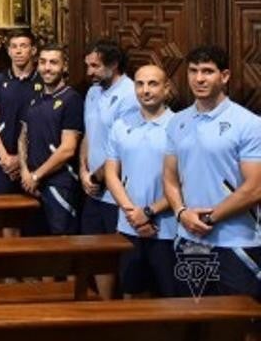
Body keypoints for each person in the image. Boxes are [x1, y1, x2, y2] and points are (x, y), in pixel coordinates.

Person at [163, 45, 261, 299]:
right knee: (193, 320)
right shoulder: (177, 121)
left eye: (207, 71)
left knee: (241, 325)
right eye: (193, 71)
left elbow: (254, 189)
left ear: (224, 76)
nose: (199, 78)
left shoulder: (249, 124)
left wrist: (209, 219)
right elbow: (170, 178)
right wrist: (181, 212)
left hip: (236, 241)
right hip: (190, 240)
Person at [104, 65, 176, 298]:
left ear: (167, 88)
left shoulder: (180, 126)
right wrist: (132, 213)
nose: (145, 90)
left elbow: (185, 181)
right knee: (130, 293)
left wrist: (149, 211)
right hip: (128, 225)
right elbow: (111, 173)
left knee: (169, 299)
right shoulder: (121, 125)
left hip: (167, 228)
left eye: (153, 84)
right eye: (140, 84)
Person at [81, 40, 139, 298]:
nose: (89, 72)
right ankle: (106, 307)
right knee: (96, 251)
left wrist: (97, 175)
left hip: (116, 191)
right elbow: (88, 135)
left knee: (122, 257)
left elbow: (124, 147)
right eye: (88, 66)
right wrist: (84, 171)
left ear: (113, 65)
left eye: (95, 66)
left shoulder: (129, 94)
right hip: (91, 187)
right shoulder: (93, 91)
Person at [19, 45, 84, 235]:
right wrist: (24, 171)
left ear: (64, 66)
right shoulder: (34, 96)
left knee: (61, 243)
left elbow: (68, 149)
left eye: (53, 63)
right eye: (43, 62)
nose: (47, 68)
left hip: (59, 184)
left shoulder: (72, 99)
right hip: (30, 184)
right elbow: (23, 136)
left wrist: (36, 176)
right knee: (33, 244)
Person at [0, 31, 39, 201]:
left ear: (33, 50)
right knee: (5, 219)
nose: (18, 51)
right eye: (14, 47)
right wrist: (6, 158)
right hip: (3, 161)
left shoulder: (43, 81)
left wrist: (21, 162)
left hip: (34, 163)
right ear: (8, 51)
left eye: (23, 46)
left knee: (34, 219)